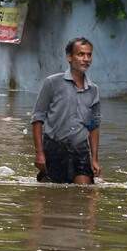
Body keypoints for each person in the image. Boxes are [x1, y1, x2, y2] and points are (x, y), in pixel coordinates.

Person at [31, 37, 101, 184]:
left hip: (80, 150)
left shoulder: (93, 90)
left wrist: (94, 159)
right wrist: (39, 153)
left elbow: (93, 126)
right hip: (54, 148)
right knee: (50, 197)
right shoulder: (52, 83)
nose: (86, 59)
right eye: (81, 54)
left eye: (89, 55)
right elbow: (37, 118)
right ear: (69, 57)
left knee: (84, 192)